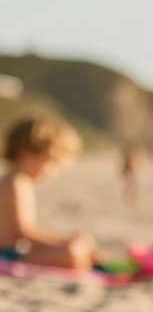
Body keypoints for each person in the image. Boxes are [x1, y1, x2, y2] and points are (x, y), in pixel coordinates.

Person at [0, 114, 97, 270]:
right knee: (72, 253)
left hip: (13, 252)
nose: (53, 172)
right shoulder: (17, 182)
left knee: (76, 250)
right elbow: (23, 232)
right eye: (51, 162)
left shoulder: (15, 181)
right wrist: (63, 242)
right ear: (27, 154)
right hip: (7, 256)